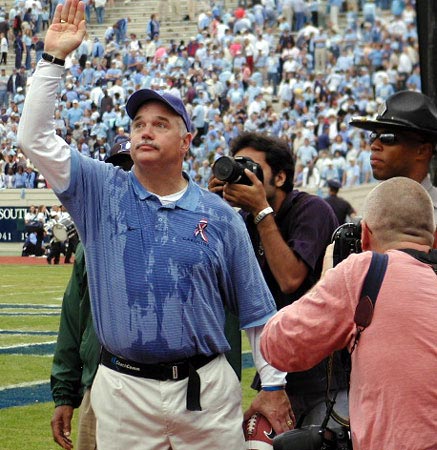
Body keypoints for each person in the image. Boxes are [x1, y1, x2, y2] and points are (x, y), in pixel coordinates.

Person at [17, 2, 292, 449]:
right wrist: (53, 59)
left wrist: (274, 385)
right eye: (138, 124)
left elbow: (258, 313)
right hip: (123, 389)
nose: (144, 131)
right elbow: (34, 138)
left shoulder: (221, 215)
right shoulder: (100, 189)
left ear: (186, 142)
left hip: (205, 389)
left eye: (160, 124)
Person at [260, 176, 437, 449]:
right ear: (433, 238)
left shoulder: (363, 270)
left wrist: (328, 277)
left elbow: (277, 345)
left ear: (365, 235)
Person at [208, 132, 348, 427]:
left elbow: (290, 279)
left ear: (281, 178)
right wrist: (210, 210)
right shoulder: (241, 222)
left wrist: (261, 211)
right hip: (276, 371)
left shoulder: (312, 210)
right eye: (237, 166)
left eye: (251, 168)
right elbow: (216, 291)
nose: (242, 175)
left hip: (323, 378)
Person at [50, 141, 133, 450]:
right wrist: (64, 395)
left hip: (163, 388)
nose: (126, 180)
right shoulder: (90, 245)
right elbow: (73, 322)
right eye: (119, 172)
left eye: (133, 170)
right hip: (97, 386)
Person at [350, 90, 437, 222]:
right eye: (373, 136)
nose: (374, 145)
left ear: (423, 150)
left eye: (388, 138)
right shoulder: (369, 216)